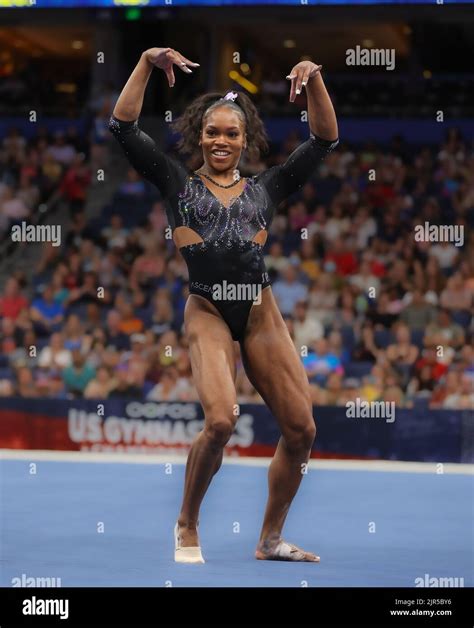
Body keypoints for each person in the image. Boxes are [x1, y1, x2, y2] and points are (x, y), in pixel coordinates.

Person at [110, 47, 338, 564]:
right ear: (199, 135)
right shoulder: (178, 183)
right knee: (220, 421)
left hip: (259, 312)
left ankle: (270, 539)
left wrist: (315, 79)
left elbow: (324, 139)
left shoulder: (267, 187)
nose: (220, 140)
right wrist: (145, 63)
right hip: (209, 311)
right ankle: (187, 522)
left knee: (302, 429)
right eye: (212, 131)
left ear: (245, 140)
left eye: (231, 133)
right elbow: (123, 128)